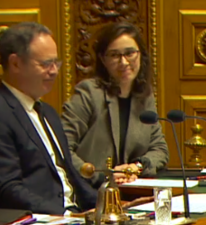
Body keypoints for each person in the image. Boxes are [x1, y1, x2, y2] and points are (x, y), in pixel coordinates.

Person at [0, 22, 96, 214]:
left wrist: (108, 205)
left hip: (72, 216)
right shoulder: (2, 111)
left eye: (56, 63)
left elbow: (69, 176)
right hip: (38, 224)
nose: (54, 71)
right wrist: (66, 215)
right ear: (15, 64)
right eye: (45, 64)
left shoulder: (48, 112)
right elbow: (7, 188)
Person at [62, 22, 168, 186]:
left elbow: (159, 149)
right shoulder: (88, 93)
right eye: (114, 55)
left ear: (141, 55)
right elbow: (62, 148)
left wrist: (135, 167)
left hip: (132, 193)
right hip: (90, 192)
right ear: (103, 60)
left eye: (130, 53)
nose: (124, 62)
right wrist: (97, 175)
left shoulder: (144, 96)